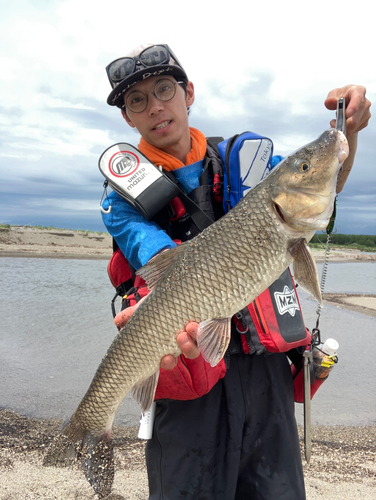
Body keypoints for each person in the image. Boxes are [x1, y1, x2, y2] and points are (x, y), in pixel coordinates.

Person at [101, 44, 371, 500]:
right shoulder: (119, 200)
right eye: (137, 100)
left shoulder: (243, 162)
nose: (155, 106)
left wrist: (349, 133)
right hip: (189, 376)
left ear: (189, 93)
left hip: (266, 375)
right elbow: (163, 260)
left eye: (164, 89)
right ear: (128, 117)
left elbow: (318, 185)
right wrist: (171, 309)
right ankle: (92, 426)